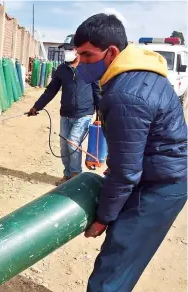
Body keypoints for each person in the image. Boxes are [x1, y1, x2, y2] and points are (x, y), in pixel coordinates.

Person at [73, 13, 187, 292]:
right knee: (119, 259)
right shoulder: (137, 76)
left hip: (161, 185)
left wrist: (103, 218)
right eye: (78, 55)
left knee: (114, 266)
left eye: (87, 55)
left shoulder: (126, 94)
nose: (81, 64)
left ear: (111, 53)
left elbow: (126, 173)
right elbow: (133, 149)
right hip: (159, 173)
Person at [28, 34, 101, 185]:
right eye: (65, 49)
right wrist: (37, 106)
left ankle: (75, 175)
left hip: (84, 113)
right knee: (63, 145)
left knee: (73, 142)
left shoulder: (89, 68)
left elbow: (97, 91)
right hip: (65, 114)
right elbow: (51, 90)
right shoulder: (62, 69)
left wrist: (101, 114)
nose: (66, 52)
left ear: (78, 50)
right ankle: (67, 174)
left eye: (70, 49)